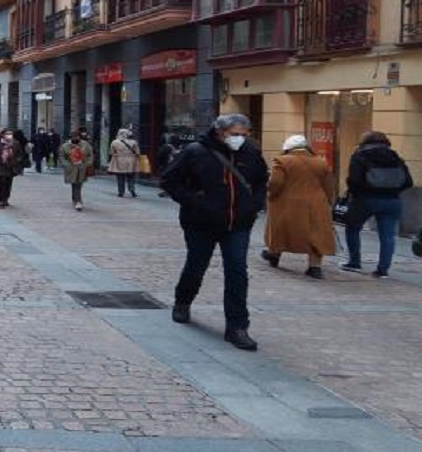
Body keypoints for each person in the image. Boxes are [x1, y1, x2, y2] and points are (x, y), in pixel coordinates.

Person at [160, 114, 268, 351]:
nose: (239, 138)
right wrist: (194, 201)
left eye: (244, 134)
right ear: (220, 132)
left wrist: (254, 204)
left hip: (238, 223)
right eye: (234, 134)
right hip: (201, 222)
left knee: (237, 272)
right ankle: (183, 301)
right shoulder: (195, 152)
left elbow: (261, 180)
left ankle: (237, 327)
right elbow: (169, 180)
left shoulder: (251, 153)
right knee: (196, 265)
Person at [341, 131, 414, 278]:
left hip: (366, 199)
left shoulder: (359, 155)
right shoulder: (395, 157)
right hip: (392, 200)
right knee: (388, 236)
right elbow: (408, 182)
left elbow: (354, 180)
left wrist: (356, 193)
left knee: (352, 228)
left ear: (365, 141)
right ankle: (382, 270)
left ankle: (354, 262)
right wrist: (393, 190)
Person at [261, 135, 335, 279]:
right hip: (316, 202)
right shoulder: (320, 162)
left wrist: (271, 195)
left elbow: (276, 183)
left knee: (280, 229)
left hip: (287, 202)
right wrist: (328, 201)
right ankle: (315, 267)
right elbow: (329, 186)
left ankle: (274, 254)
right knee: (316, 235)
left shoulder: (282, 161)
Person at [59, 131, 94, 211]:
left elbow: (90, 155)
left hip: (82, 168)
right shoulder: (65, 146)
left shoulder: (86, 145)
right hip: (71, 168)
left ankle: (77, 200)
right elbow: (62, 156)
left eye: (77, 136)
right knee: (74, 184)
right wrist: (67, 165)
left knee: (79, 184)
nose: (75, 138)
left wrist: (88, 163)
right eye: (73, 137)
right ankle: (77, 200)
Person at [107, 129, 141, 198]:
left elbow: (111, 152)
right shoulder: (133, 142)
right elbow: (137, 152)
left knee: (120, 177)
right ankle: (132, 190)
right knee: (131, 177)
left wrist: (117, 154)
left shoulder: (115, 142)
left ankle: (121, 192)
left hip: (119, 161)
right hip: (131, 161)